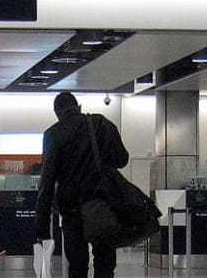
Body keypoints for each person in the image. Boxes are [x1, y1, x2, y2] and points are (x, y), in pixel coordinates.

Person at [35, 92, 129, 278]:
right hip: (103, 205)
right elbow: (122, 159)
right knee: (105, 264)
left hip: (72, 210)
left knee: (77, 266)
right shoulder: (102, 124)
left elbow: (46, 183)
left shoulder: (53, 134)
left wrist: (42, 228)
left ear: (57, 113)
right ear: (78, 107)